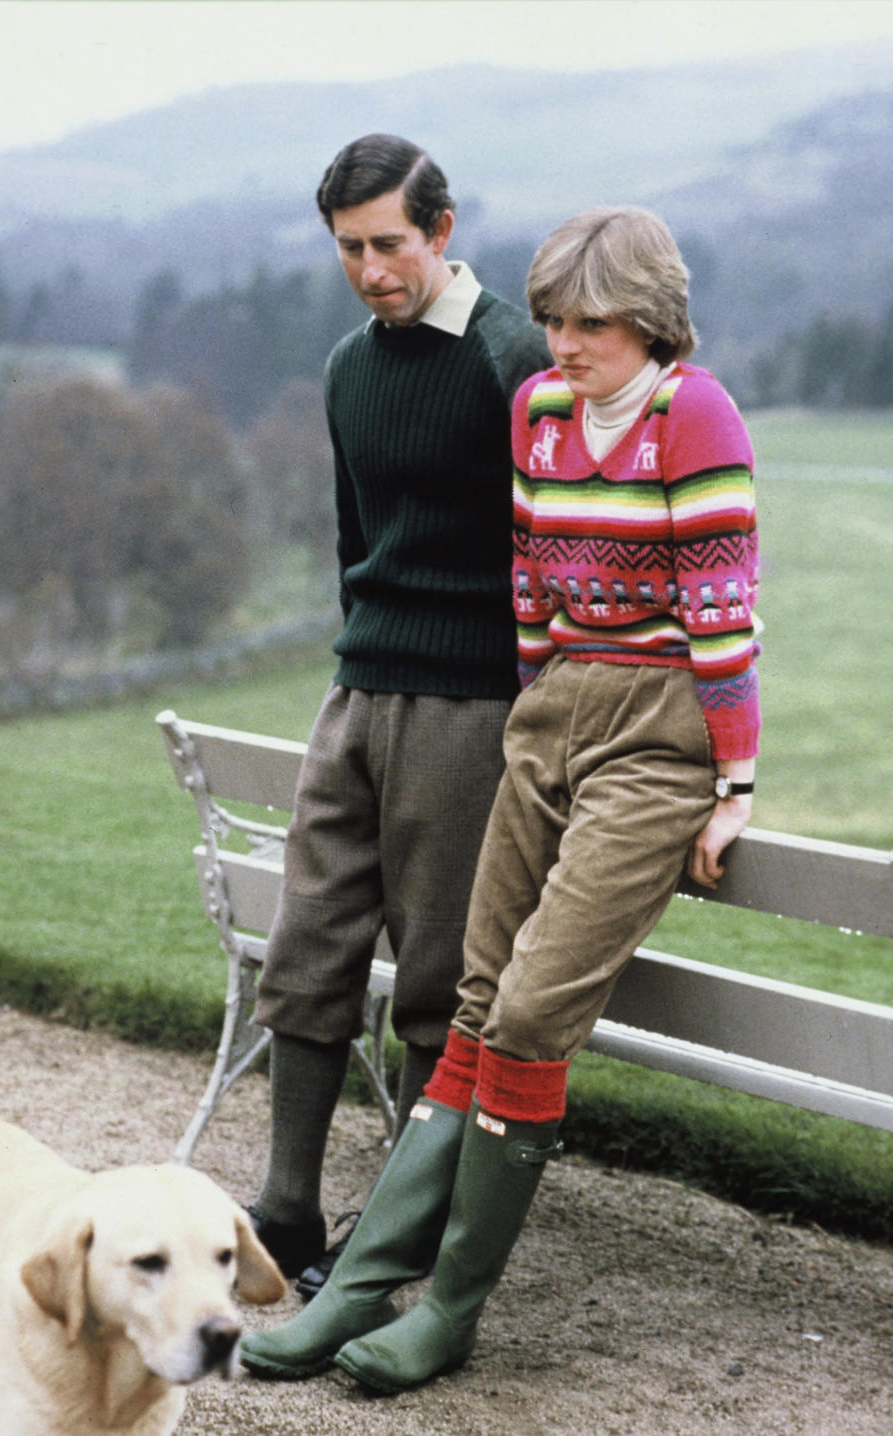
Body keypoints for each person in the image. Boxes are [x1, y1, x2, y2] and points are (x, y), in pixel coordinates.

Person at [239, 205, 761, 1389]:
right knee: (476, 1002)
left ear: (651, 323)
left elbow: (721, 612)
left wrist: (730, 778)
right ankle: (364, 1284)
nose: (565, 346)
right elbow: (529, 573)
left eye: (592, 326)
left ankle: (451, 1307)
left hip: (659, 725)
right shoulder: (537, 409)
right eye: (554, 322)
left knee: (527, 1013)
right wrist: (538, 707)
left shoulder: (696, 414)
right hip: (553, 708)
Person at [242, 133, 550, 1299]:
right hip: (358, 687)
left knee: (437, 968)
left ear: (442, 231)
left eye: (388, 243)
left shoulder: (511, 357)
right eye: (348, 249)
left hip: (471, 706)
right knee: (308, 941)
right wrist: (360, 661)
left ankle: (403, 1227)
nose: (370, 268)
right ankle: (287, 1203)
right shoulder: (345, 369)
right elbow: (351, 539)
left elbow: (551, 543)